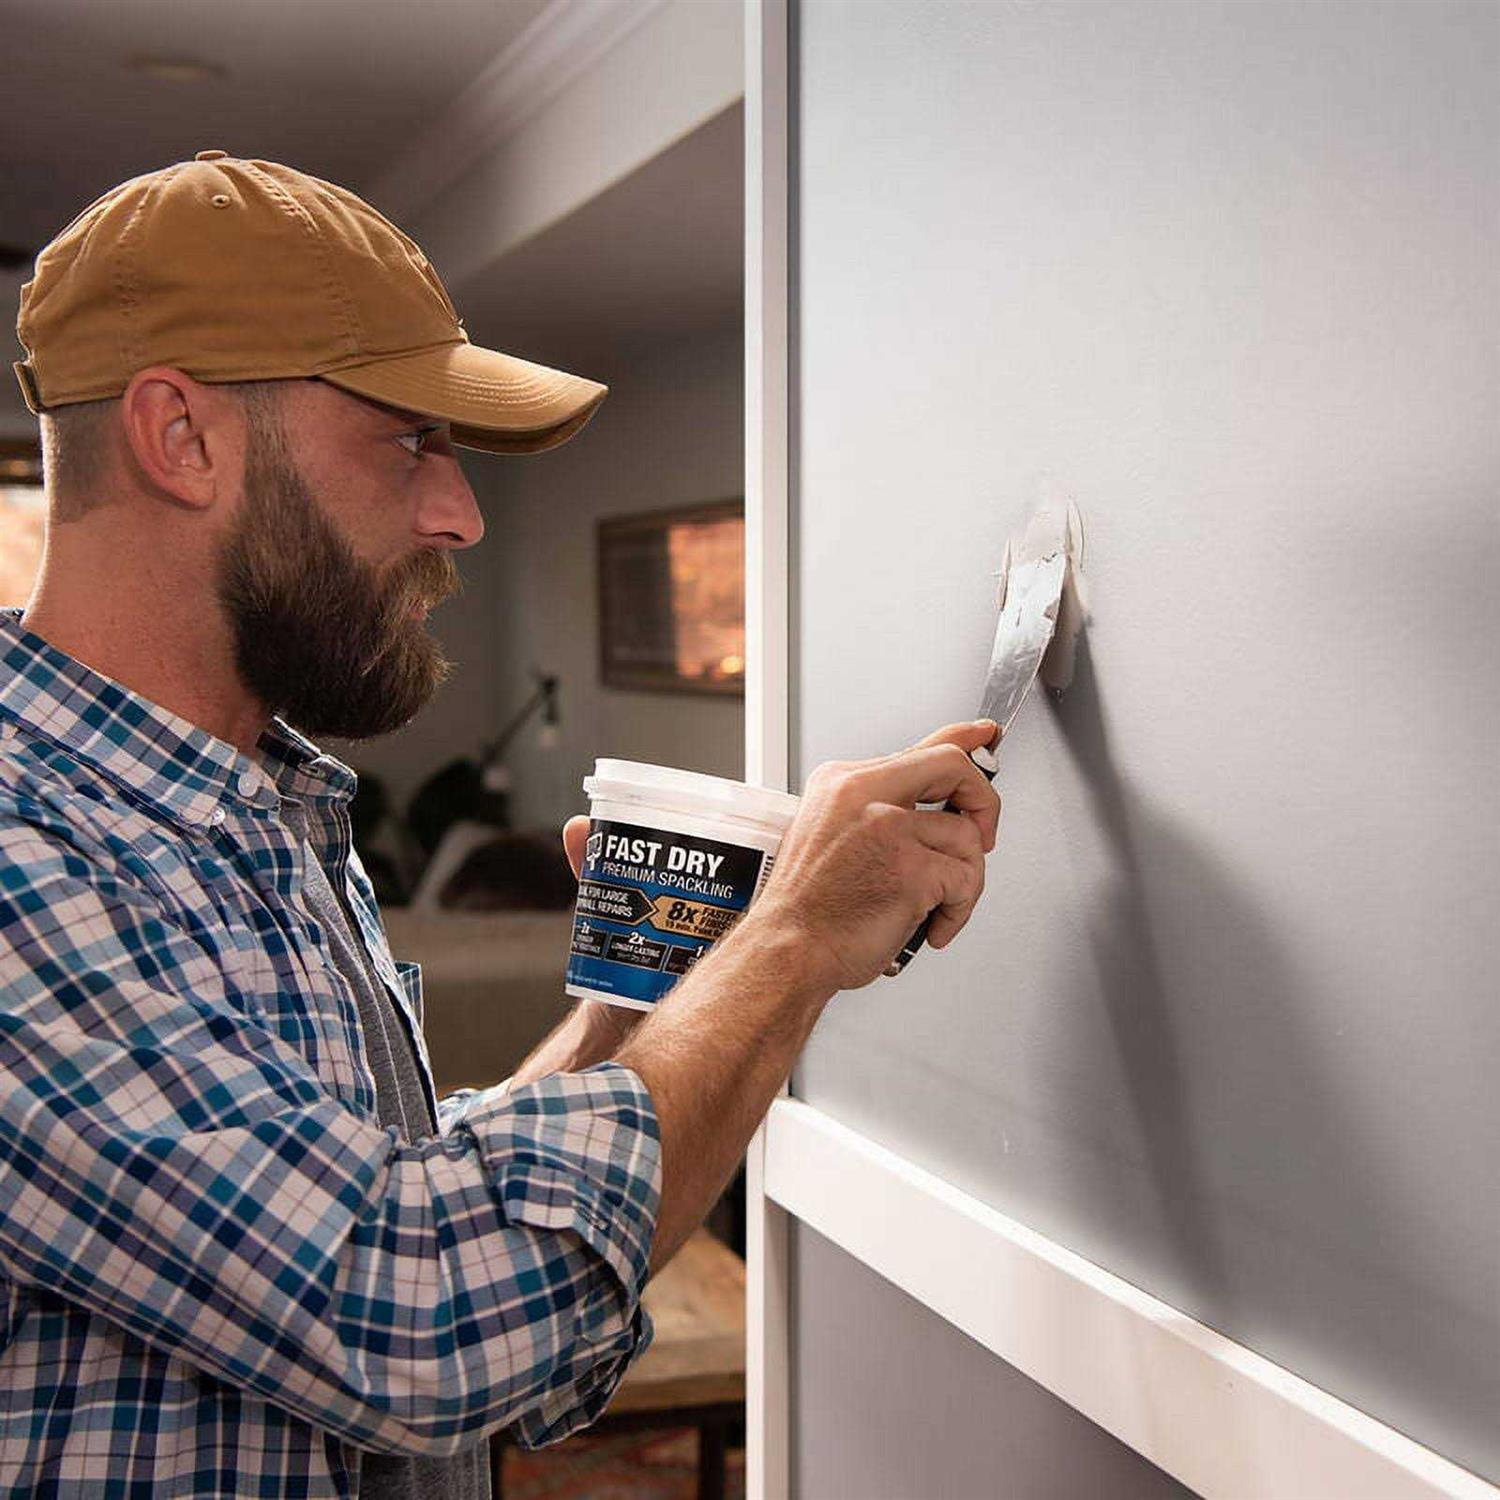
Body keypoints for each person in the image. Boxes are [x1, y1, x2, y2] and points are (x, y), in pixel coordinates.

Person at [0, 153, 1000, 1498]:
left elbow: (399, 1190)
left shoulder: (270, 810)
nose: (460, 515)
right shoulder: (23, 848)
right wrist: (792, 941)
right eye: (410, 442)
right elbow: (412, 1314)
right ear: (183, 438)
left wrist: (653, 994)